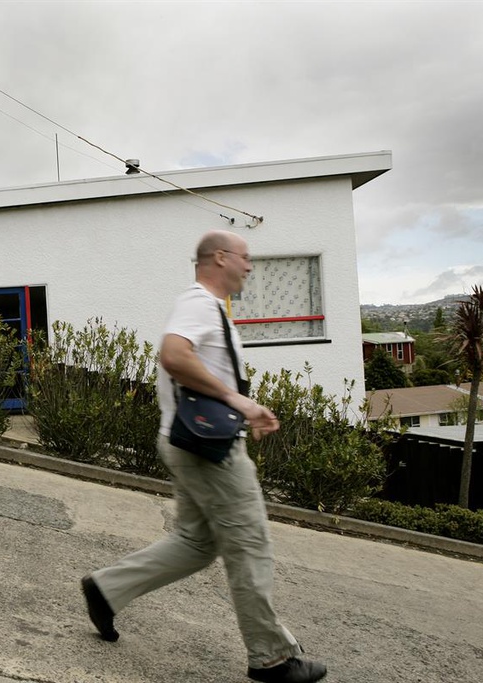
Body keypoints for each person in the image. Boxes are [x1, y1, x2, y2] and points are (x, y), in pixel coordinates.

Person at [80, 230, 327, 683]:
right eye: (245, 257)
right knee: (249, 544)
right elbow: (174, 355)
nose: (250, 266)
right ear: (220, 257)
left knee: (196, 543)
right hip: (210, 450)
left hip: (188, 443)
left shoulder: (210, 308)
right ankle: (272, 657)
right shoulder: (198, 303)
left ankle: (107, 589)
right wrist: (241, 402)